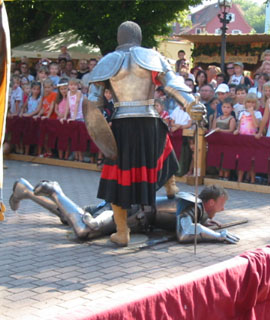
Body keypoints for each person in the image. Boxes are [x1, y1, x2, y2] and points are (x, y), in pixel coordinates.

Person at [83, 21, 198, 246]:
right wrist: (191, 103)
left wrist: (98, 129)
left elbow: (93, 101)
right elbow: (173, 84)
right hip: (149, 120)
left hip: (121, 125)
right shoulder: (152, 57)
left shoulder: (108, 61)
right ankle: (171, 184)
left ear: (119, 37)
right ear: (139, 36)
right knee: (162, 146)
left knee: (119, 177)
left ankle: (122, 231)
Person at [9, 179, 239, 245]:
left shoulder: (193, 206)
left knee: (69, 217)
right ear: (209, 202)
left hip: (131, 211)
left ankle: (27, 191)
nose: (223, 208)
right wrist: (217, 236)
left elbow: (188, 225)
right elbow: (185, 233)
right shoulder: (194, 205)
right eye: (221, 203)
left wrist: (206, 226)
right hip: (129, 212)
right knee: (83, 229)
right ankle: (54, 189)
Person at [234, 93, 262, 183]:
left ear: (256, 104)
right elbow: (239, 124)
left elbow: (257, 125)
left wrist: (252, 113)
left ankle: (252, 180)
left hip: (252, 140)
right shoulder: (242, 113)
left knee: (252, 161)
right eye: (249, 102)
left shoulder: (258, 113)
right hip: (242, 139)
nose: (251, 104)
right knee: (242, 160)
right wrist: (237, 130)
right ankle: (239, 180)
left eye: (253, 102)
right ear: (245, 103)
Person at [212, 98, 236, 180]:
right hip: (218, 142)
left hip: (228, 143)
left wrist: (220, 130)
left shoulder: (231, 119)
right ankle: (220, 174)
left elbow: (231, 130)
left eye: (228, 107)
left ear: (232, 109)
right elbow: (213, 128)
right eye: (224, 107)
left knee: (226, 159)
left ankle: (226, 176)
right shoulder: (218, 118)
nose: (225, 109)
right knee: (219, 158)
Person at [33, 78, 57, 157]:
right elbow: (43, 108)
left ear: (52, 87)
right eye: (45, 87)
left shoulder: (54, 94)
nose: (47, 89)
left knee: (48, 138)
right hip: (44, 119)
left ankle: (49, 152)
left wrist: (47, 116)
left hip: (51, 119)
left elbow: (52, 107)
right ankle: (45, 152)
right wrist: (38, 115)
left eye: (49, 87)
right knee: (43, 136)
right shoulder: (43, 97)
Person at [61, 78, 84, 162]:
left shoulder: (79, 93)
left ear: (78, 86)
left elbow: (77, 103)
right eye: (71, 85)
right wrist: (65, 116)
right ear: (68, 86)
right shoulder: (68, 93)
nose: (73, 87)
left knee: (79, 138)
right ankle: (76, 155)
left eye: (74, 85)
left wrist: (74, 117)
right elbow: (67, 105)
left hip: (80, 117)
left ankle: (80, 156)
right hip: (72, 117)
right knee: (73, 137)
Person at [20, 81, 42, 155]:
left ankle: (34, 152)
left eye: (37, 89)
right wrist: (21, 112)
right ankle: (25, 152)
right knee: (26, 135)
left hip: (34, 119)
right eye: (34, 89)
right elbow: (24, 106)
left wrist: (30, 115)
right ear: (31, 89)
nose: (36, 91)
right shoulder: (29, 97)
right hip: (27, 119)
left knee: (33, 136)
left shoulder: (40, 98)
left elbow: (38, 109)